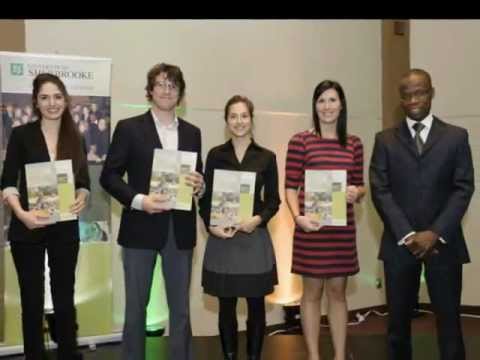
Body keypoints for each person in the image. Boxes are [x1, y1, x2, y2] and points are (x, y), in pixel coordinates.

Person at [100, 62, 204, 360]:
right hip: (139, 227)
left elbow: (199, 176)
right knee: (135, 310)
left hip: (180, 230)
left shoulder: (193, 133)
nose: (166, 90)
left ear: (180, 94)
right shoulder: (129, 128)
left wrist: (200, 184)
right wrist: (139, 200)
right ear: (150, 91)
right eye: (160, 84)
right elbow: (109, 177)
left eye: (173, 85)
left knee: (181, 312)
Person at [369, 68, 474, 360]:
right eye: (407, 94)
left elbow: (463, 188)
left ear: (431, 92)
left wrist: (434, 233)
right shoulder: (384, 140)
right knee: (397, 327)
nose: (414, 99)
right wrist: (408, 234)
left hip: (443, 244)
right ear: (400, 99)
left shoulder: (456, 137)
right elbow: (380, 190)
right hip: (400, 245)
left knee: (450, 324)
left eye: (420, 92)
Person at [1, 73, 90, 360]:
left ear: (65, 100)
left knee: (64, 299)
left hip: (65, 228)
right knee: (32, 300)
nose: (52, 103)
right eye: (44, 97)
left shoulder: (76, 137)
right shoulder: (21, 135)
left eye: (57, 97)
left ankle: (67, 353)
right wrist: (21, 213)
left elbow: (84, 182)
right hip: (28, 226)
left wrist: (82, 196)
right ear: (36, 102)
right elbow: (7, 182)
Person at [285, 80, 365, 360]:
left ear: (341, 105)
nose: (327, 106)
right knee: (311, 294)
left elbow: (360, 184)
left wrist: (357, 192)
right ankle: (313, 356)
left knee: (338, 293)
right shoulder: (300, 141)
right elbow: (290, 187)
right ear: (314, 105)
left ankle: (340, 356)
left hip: (341, 232)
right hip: (311, 231)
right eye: (321, 100)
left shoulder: (354, 143)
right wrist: (298, 218)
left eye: (332, 100)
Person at [199, 95, 280, 360]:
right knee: (226, 306)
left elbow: (273, 200)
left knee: (256, 305)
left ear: (251, 119)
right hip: (223, 241)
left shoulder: (266, 157)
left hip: (254, 238)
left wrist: (257, 220)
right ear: (226, 121)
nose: (239, 121)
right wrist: (210, 226)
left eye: (244, 116)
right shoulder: (215, 155)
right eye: (233, 116)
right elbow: (205, 199)